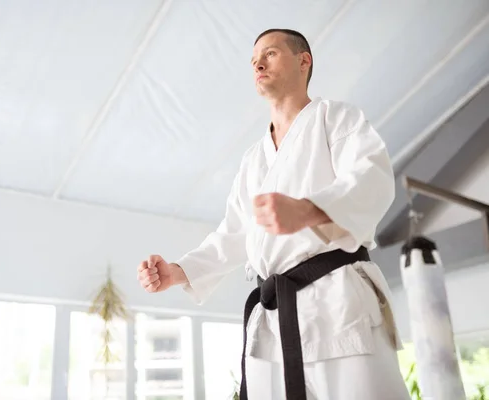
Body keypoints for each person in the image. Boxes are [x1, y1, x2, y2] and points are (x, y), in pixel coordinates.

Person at [136, 28, 410, 400]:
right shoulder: (253, 159)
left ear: (303, 60)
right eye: (253, 61)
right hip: (273, 319)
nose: (258, 64)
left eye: (270, 54)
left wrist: (310, 211)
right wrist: (178, 272)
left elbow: (372, 180)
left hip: (337, 305)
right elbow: (233, 233)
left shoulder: (335, 118)